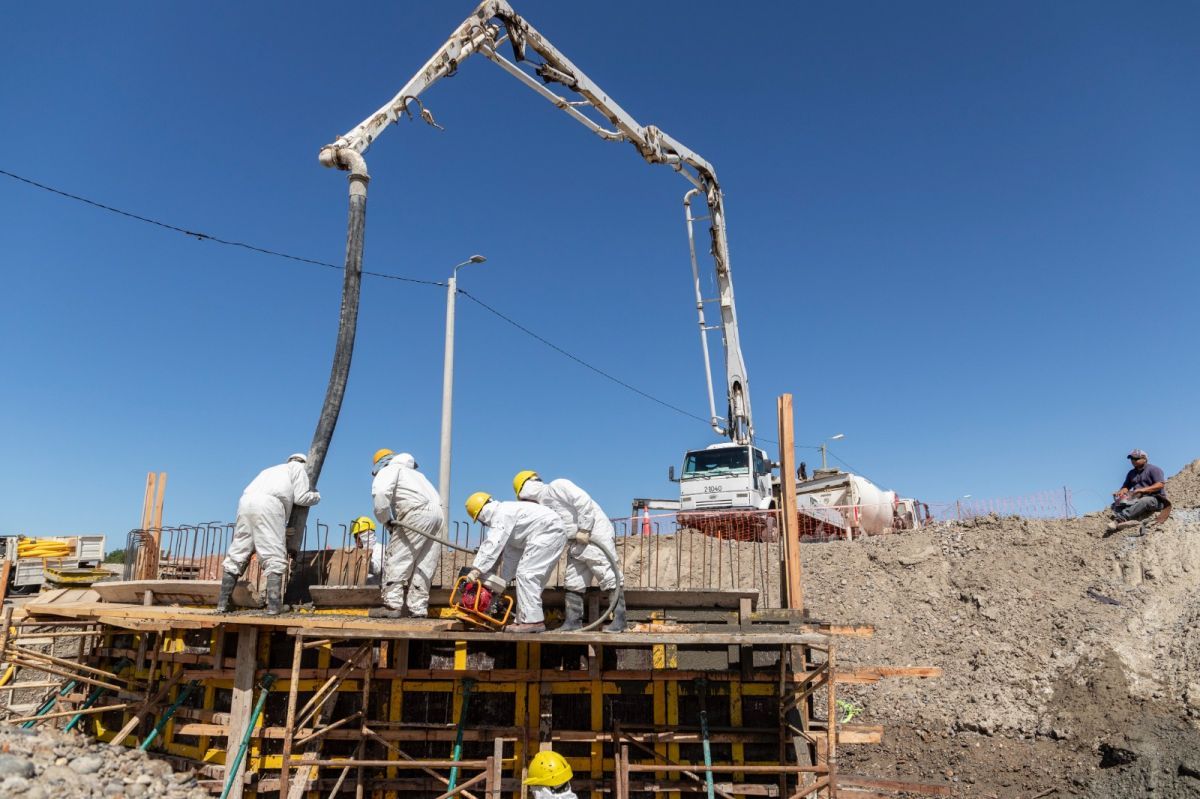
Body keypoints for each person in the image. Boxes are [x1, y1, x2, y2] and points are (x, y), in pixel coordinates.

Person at [513, 471, 625, 633]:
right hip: (576, 541)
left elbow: (583, 501)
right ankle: (573, 622)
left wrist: (585, 528)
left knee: (608, 575)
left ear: (526, 489)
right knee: (573, 580)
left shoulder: (558, 486)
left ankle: (620, 621)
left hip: (593, 534)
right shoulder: (544, 506)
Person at [218, 453, 320, 615]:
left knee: (239, 550)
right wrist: (316, 496)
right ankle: (274, 606)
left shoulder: (270, 470)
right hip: (270, 505)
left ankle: (222, 604)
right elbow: (301, 498)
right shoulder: (300, 469)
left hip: (245, 503)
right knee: (273, 554)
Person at [463, 491, 565, 633]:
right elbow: (511, 556)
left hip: (548, 531)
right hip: (550, 532)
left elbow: (493, 543)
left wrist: (476, 569)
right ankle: (523, 619)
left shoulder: (500, 514)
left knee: (526, 574)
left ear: (480, 514)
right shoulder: (511, 521)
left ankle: (533, 622)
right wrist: (502, 583)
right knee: (530, 579)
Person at [369, 449, 444, 618]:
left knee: (398, 556)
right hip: (438, 516)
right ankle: (418, 609)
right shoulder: (419, 476)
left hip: (416, 513)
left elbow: (381, 495)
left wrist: (386, 520)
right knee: (425, 563)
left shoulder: (389, 470)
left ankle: (392, 606)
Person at [1107, 449, 1171, 532]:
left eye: (1136, 459)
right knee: (1118, 502)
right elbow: (1126, 486)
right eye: (1131, 459)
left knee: (1144, 501)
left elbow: (1160, 484)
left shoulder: (1154, 469)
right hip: (1137, 498)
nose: (1133, 461)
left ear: (1144, 459)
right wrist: (1121, 492)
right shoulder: (1131, 473)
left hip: (1156, 499)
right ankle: (1127, 519)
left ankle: (1119, 520)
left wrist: (1143, 490)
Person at [350, 515, 383, 585]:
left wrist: (365, 558)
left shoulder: (380, 549)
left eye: (357, 537)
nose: (355, 541)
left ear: (365, 536)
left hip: (376, 592)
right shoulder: (357, 550)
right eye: (355, 537)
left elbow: (377, 569)